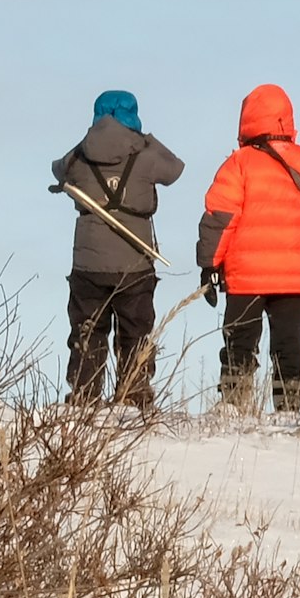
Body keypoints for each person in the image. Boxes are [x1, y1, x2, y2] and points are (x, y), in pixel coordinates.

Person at [190, 83, 300, 416]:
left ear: (247, 120)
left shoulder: (238, 165)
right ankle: (289, 406)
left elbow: (219, 218)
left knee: (239, 341)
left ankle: (234, 402)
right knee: (288, 344)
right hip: (293, 278)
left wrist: (209, 265)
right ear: (286, 119)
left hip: (245, 276)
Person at [50, 89, 183, 405]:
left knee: (88, 331)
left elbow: (58, 168)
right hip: (134, 264)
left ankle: (84, 395)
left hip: (87, 264)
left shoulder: (80, 157)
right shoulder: (146, 156)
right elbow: (175, 168)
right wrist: (147, 138)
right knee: (135, 332)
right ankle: (133, 395)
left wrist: (88, 139)